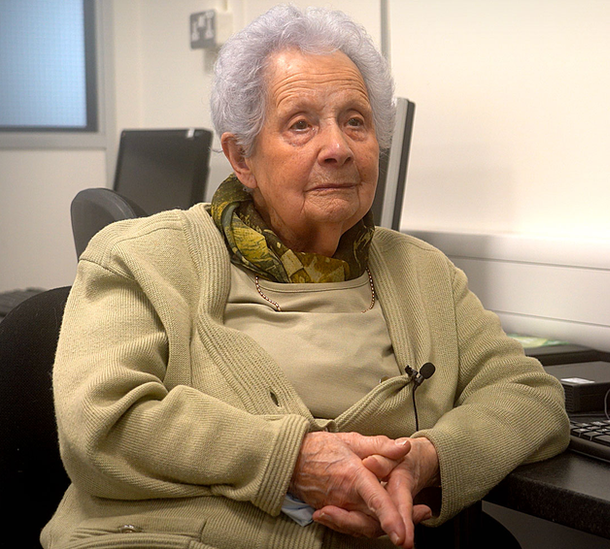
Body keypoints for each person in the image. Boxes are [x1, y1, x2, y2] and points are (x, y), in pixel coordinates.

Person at [41, 5, 569, 549]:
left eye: (356, 121)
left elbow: (532, 396)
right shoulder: (144, 257)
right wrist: (294, 461)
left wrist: (427, 458)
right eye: (301, 124)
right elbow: (102, 424)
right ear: (242, 157)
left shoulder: (422, 273)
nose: (338, 148)